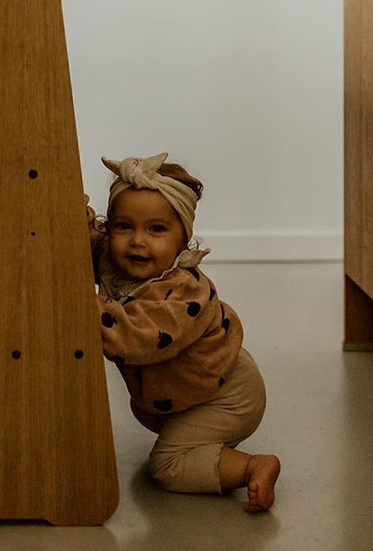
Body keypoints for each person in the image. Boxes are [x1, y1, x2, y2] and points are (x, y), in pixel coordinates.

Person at [88, 153, 281, 513]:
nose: (137, 241)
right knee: (174, 434)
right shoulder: (119, 263)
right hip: (192, 389)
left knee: (168, 464)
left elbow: (137, 337)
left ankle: (252, 466)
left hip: (226, 396)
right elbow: (86, 243)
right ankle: (207, 447)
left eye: (156, 229)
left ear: (183, 240)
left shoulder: (183, 294)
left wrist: (84, 307)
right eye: (123, 226)